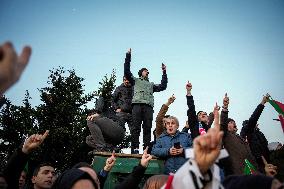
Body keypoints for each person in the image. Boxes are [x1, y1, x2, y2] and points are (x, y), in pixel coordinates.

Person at [124, 48, 168, 153]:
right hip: (137, 106)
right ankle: (134, 149)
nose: (147, 71)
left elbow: (163, 86)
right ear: (141, 73)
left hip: (148, 107)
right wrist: (128, 56)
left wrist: (164, 72)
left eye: (148, 71)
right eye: (145, 70)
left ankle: (146, 149)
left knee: (147, 128)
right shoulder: (135, 80)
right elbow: (126, 71)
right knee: (136, 128)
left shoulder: (151, 85)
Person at [220, 93, 259, 176]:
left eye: (234, 122)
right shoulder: (226, 135)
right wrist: (225, 107)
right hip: (240, 174)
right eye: (230, 122)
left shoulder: (241, 137)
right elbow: (223, 123)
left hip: (254, 172)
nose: (234, 124)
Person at [240, 94, 271, 173]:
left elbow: (265, 145)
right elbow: (254, 118)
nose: (256, 124)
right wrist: (262, 103)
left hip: (268, 161)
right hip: (259, 164)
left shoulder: (259, 133)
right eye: (254, 124)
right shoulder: (247, 130)